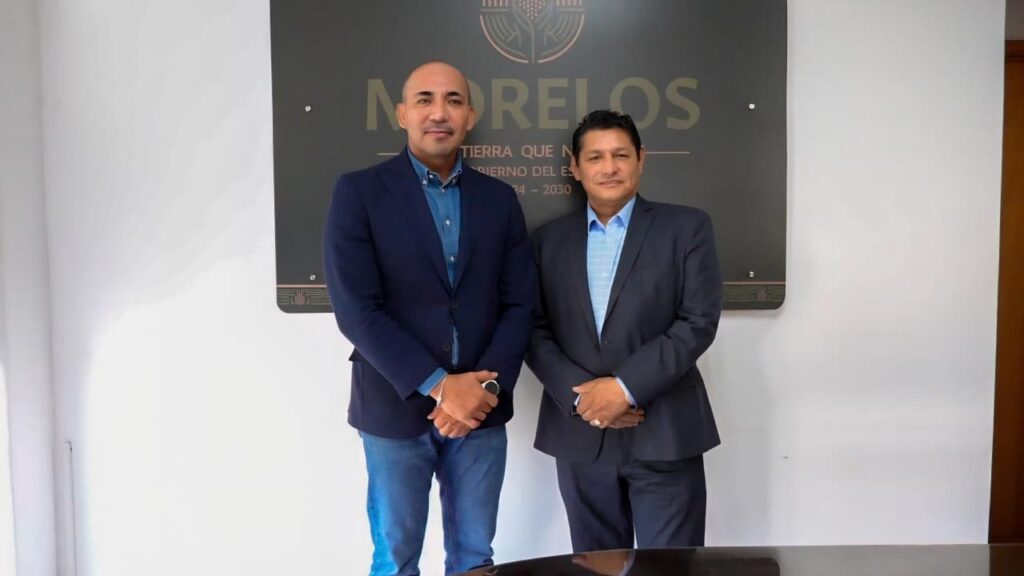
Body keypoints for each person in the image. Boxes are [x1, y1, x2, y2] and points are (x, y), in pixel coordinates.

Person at [322, 61, 534, 576]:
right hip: (393, 408)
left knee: (476, 559)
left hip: (481, 411)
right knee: (395, 559)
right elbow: (356, 309)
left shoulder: (500, 200)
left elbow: (519, 305)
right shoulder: (359, 193)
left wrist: (482, 391)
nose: (439, 112)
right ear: (402, 114)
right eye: (424, 100)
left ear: (470, 116)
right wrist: (442, 387)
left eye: (453, 101)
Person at [527, 109, 722, 552]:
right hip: (580, 437)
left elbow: (697, 322)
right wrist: (585, 399)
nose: (609, 167)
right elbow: (534, 330)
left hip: (665, 432)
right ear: (575, 167)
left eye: (620, 155)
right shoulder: (545, 241)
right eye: (595, 157)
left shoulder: (687, 228)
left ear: (641, 159)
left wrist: (624, 389)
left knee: (670, 569)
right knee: (594, 566)